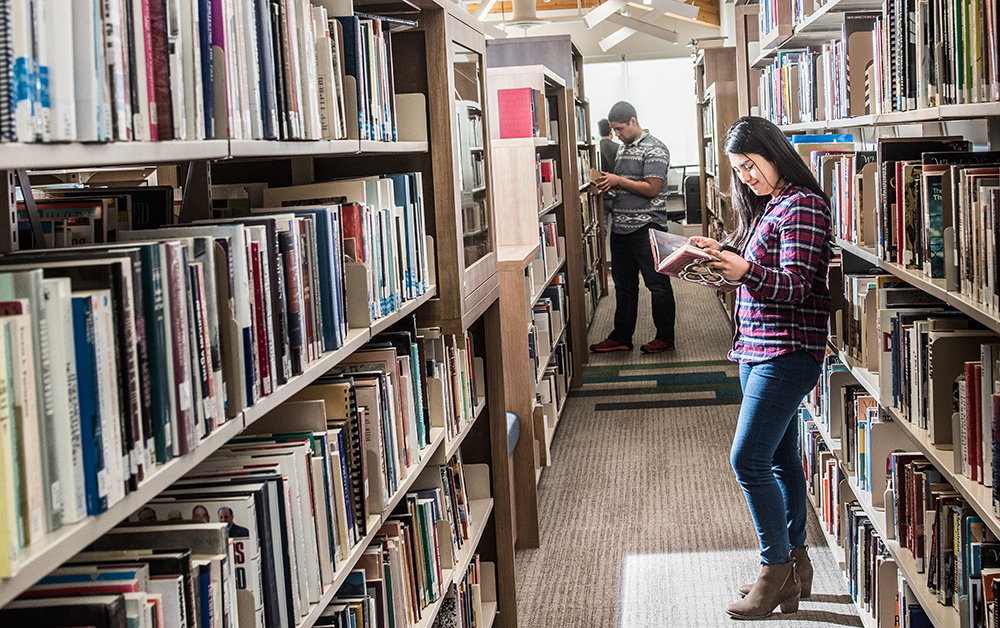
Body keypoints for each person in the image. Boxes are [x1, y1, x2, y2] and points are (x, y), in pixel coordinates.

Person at [689, 116, 832, 619]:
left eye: (751, 164)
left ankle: (775, 571)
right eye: (737, 169)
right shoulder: (771, 205)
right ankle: (796, 564)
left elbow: (796, 285)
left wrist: (745, 270)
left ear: (776, 154)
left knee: (747, 459)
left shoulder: (804, 206)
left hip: (788, 350)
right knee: (781, 459)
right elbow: (760, 271)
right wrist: (723, 255)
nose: (745, 176)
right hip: (756, 345)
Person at [590, 101, 676, 354]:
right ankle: (621, 336)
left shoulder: (655, 149)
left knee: (657, 284)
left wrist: (619, 180)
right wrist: (610, 184)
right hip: (621, 226)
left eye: (619, 128)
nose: (616, 134)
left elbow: (652, 189)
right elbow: (630, 184)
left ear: (632, 122)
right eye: (613, 130)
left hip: (646, 226)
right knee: (624, 285)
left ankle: (665, 337)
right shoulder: (623, 149)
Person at [596, 118, 619, 252]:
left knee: (602, 232)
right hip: (616, 194)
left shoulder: (597, 148)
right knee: (619, 231)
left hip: (601, 196)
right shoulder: (618, 148)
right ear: (611, 131)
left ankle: (602, 259)